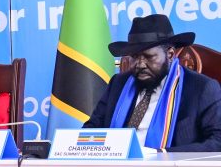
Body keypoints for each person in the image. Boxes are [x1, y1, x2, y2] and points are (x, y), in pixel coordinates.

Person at [84, 15, 221, 151]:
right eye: (135, 57)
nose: (140, 64)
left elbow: (218, 141)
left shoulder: (202, 88)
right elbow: (92, 128)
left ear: (170, 54)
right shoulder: (118, 83)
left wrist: (161, 155)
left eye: (149, 57)